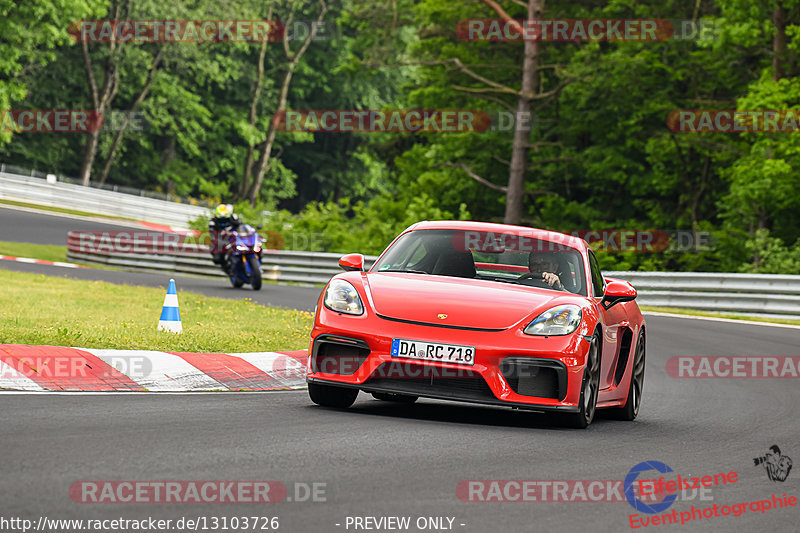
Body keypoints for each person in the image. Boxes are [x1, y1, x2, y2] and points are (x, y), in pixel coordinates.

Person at [209, 204, 241, 273]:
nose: (223, 220)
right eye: (221, 218)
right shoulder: (213, 222)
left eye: (225, 218)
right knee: (217, 255)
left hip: (235, 237)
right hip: (222, 240)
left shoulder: (233, 217)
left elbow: (241, 225)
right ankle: (225, 265)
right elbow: (212, 235)